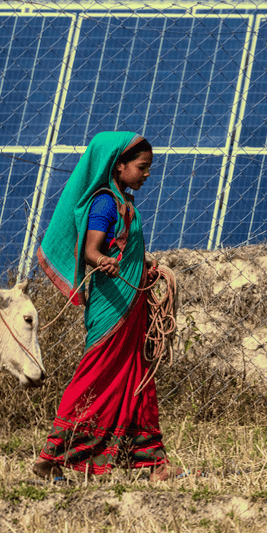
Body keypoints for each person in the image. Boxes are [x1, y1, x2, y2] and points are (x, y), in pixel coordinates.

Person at [32, 132, 185, 483]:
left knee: (138, 376)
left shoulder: (124, 203)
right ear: (118, 166)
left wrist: (140, 266)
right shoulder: (105, 204)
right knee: (97, 373)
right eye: (142, 167)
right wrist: (103, 261)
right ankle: (53, 457)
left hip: (130, 302)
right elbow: (90, 250)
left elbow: (122, 246)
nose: (148, 174)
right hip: (111, 306)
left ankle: (149, 461)